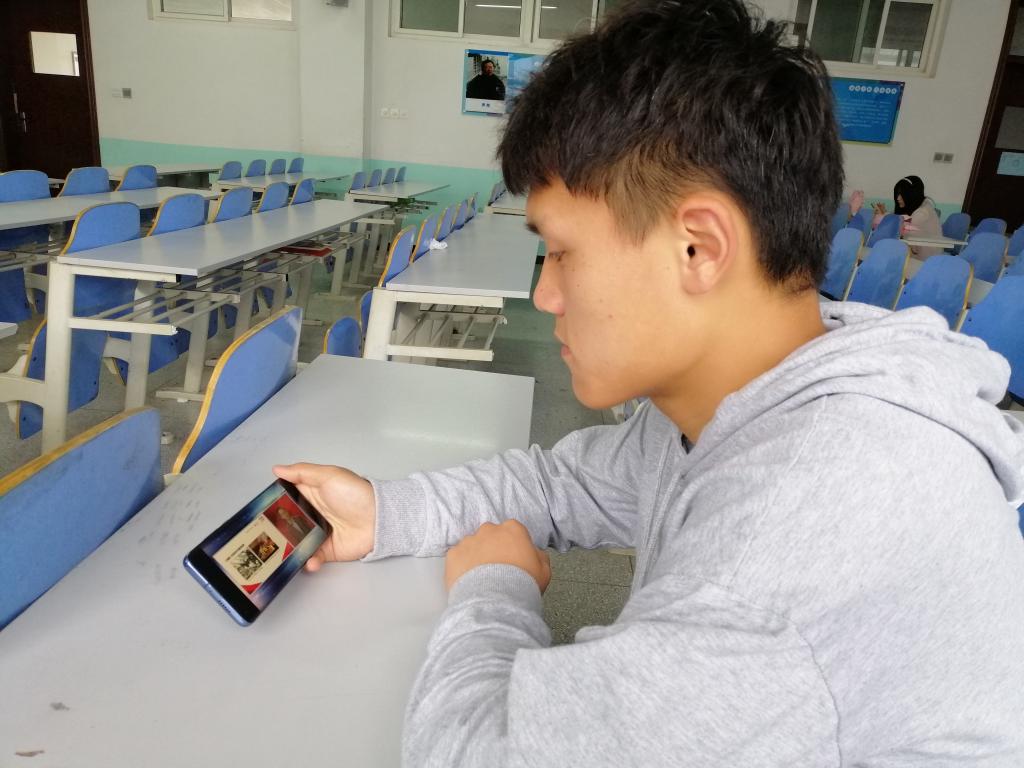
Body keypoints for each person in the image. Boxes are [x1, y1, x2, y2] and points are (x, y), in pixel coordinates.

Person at [276, 0, 1024, 765]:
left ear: (698, 248)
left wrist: (494, 588)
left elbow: (472, 755)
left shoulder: (803, 541)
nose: (545, 295)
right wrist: (385, 512)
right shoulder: (745, 393)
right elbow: (563, 486)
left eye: (562, 253)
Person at [850, 175, 944, 257]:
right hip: (914, 254)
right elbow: (897, 219)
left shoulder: (922, 213)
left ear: (912, 195)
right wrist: (885, 215)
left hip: (924, 260)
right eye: (897, 194)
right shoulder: (916, 206)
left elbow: (900, 226)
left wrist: (884, 218)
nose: (898, 198)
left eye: (901, 194)